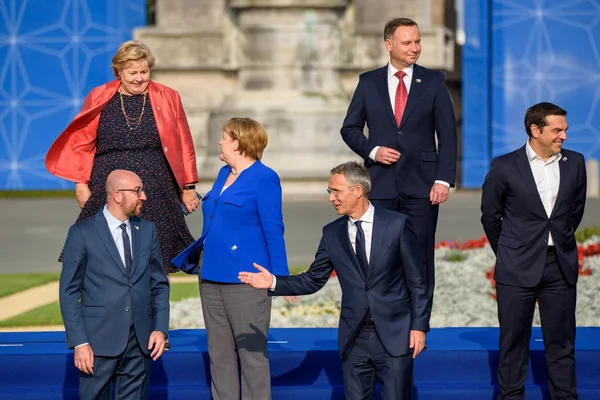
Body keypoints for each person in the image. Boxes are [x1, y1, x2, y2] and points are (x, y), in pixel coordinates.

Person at [239, 161, 431, 400]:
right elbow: (313, 279)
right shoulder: (332, 233)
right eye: (330, 192)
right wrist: (273, 283)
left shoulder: (397, 225)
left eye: (336, 191)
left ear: (357, 191)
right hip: (355, 340)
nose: (331, 198)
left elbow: (417, 281)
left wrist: (419, 326)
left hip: (395, 335)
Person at [45, 40, 199, 274]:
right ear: (118, 72)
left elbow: (184, 142)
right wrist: (81, 184)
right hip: (107, 184)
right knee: (104, 252)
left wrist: (188, 187)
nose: (139, 78)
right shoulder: (99, 95)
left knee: (155, 259)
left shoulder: (169, 96)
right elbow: (83, 144)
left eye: (144, 71)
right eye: (133, 73)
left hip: (155, 184)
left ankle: (152, 306)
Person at [340, 17, 457, 306]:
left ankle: (419, 325)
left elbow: (448, 134)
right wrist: (373, 150)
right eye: (407, 42)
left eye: (418, 41)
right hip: (381, 185)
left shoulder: (434, 81)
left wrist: (443, 179)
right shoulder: (368, 82)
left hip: (424, 187)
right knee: (380, 256)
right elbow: (349, 128)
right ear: (388, 44)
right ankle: (383, 321)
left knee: (419, 256)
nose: (415, 48)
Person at [172, 117, 290, 399]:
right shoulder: (225, 173)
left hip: (247, 279)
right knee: (220, 355)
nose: (220, 143)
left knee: (251, 358)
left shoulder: (265, 178)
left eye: (224, 138)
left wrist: (281, 279)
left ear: (237, 142)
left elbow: (274, 229)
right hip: (211, 274)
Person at [481, 102, 586, 400]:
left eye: (565, 129)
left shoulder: (575, 163)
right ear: (535, 130)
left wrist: (558, 239)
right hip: (516, 267)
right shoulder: (504, 165)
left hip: (560, 266)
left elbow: (573, 213)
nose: (563, 136)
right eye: (557, 130)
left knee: (562, 344)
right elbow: (490, 215)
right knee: (513, 343)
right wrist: (510, 250)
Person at [59, 169, 170, 400]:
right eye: (138, 191)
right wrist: (80, 342)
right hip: (97, 344)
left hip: (140, 343)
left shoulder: (147, 230)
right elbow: (69, 291)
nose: (144, 196)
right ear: (117, 195)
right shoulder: (82, 233)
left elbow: (159, 283)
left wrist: (160, 328)